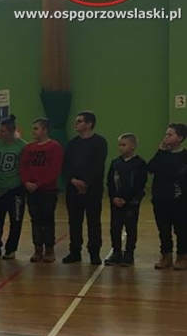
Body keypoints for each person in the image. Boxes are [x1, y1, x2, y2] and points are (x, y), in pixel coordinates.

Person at [62, 111, 108, 265]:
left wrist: (85, 184)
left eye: (79, 121)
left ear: (89, 124)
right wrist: (73, 181)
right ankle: (74, 251)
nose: (76, 124)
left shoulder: (100, 142)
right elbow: (65, 166)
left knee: (93, 221)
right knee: (74, 221)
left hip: (92, 189)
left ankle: (94, 252)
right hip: (73, 188)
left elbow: (97, 166)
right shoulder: (72, 144)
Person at [20, 118, 64, 263]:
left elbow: (54, 170)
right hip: (31, 190)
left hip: (48, 190)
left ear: (45, 130)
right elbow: (23, 166)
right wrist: (26, 182)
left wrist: (38, 184)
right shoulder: (29, 148)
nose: (33, 131)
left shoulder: (54, 147)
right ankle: (38, 249)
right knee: (35, 220)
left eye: (36, 128)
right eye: (33, 128)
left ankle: (49, 249)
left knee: (48, 220)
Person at [147, 123, 187, 270]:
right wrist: (160, 151)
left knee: (181, 229)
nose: (166, 137)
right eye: (166, 134)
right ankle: (166, 256)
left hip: (180, 200)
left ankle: (182, 256)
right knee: (163, 229)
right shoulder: (162, 154)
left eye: (170, 135)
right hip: (160, 198)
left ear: (180, 138)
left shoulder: (185, 156)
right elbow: (150, 168)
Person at [104, 134, 148, 267]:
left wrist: (129, 200)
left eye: (124, 145)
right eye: (120, 145)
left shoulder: (140, 163)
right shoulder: (115, 163)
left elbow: (141, 184)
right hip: (116, 202)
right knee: (115, 228)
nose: (121, 147)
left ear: (133, 146)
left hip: (131, 203)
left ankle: (129, 253)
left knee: (131, 228)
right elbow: (110, 182)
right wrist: (113, 197)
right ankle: (116, 251)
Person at [0, 115, 26, 260]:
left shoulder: (23, 146)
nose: (0, 134)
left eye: (3, 131)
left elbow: (25, 167)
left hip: (16, 189)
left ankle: (11, 249)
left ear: (12, 131)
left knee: (16, 220)